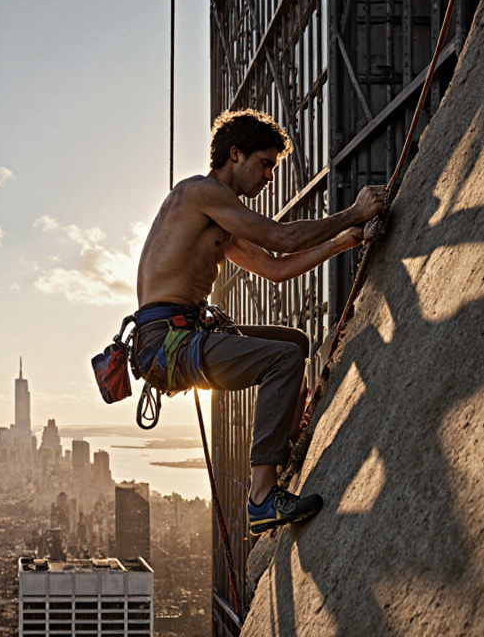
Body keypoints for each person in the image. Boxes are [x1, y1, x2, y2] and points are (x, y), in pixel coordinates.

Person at [134, 109, 384, 535]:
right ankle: (262, 498)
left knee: (296, 342)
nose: (269, 176)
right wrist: (352, 214)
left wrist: (342, 242)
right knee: (282, 360)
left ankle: (283, 449)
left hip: (179, 336)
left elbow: (275, 266)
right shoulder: (200, 193)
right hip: (167, 342)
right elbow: (280, 237)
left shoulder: (218, 217)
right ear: (236, 154)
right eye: (265, 163)